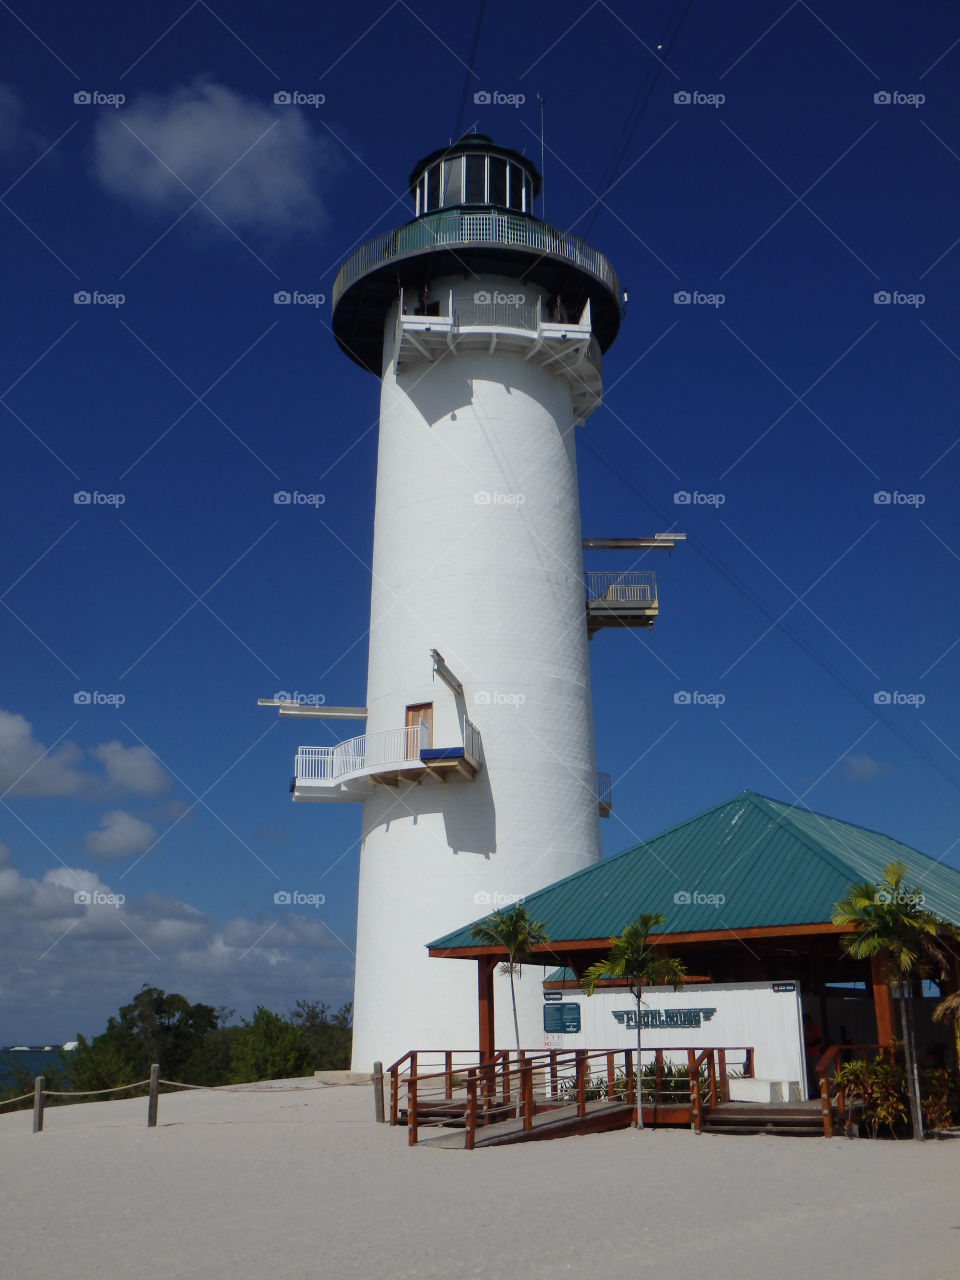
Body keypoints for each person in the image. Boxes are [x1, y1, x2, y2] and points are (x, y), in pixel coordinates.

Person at [803, 1012, 823, 1097]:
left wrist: (808, 1044)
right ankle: (814, 1092)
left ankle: (820, 1092)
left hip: (814, 1054)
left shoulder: (814, 1027)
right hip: (806, 1055)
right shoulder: (803, 1028)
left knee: (816, 1074)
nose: (805, 1022)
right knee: (809, 1075)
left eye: (806, 1020)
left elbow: (818, 1040)